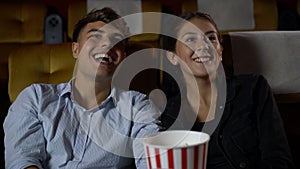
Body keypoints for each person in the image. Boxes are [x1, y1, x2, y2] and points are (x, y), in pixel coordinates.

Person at [3, 7, 161, 169]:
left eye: (116, 40)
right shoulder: (35, 97)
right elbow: (22, 161)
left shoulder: (138, 106)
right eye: (95, 36)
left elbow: (151, 162)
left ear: (122, 59)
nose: (107, 44)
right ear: (76, 49)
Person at [160, 11, 295, 168]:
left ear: (220, 52)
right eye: (190, 39)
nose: (204, 46)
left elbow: (279, 161)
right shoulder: (165, 112)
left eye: (211, 38)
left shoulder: (253, 89)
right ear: (173, 57)